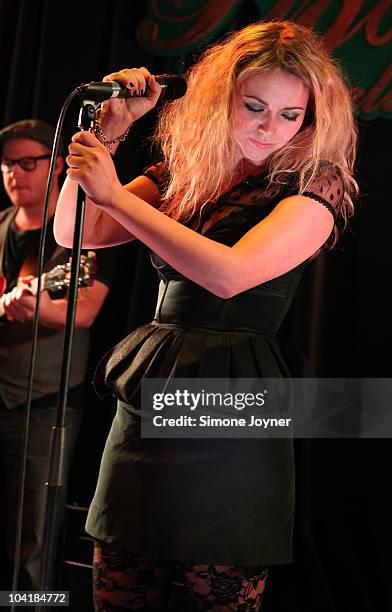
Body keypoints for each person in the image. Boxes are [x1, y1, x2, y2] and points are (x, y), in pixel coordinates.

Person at [54, 19, 358, 611]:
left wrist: (113, 192)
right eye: (253, 106)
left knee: (210, 578)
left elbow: (228, 274)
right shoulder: (190, 171)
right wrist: (106, 140)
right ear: (223, 99)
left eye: (290, 115)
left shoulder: (315, 184)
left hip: (233, 391)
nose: (270, 127)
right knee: (123, 569)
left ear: (312, 120)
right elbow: (73, 231)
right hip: (155, 383)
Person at [0, 119, 112, 593]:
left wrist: (36, 307)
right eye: (7, 164)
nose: (15, 174)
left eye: (28, 163)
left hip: (42, 402)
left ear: (56, 166)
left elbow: (84, 311)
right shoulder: (1, 226)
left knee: (33, 536)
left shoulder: (80, 233)